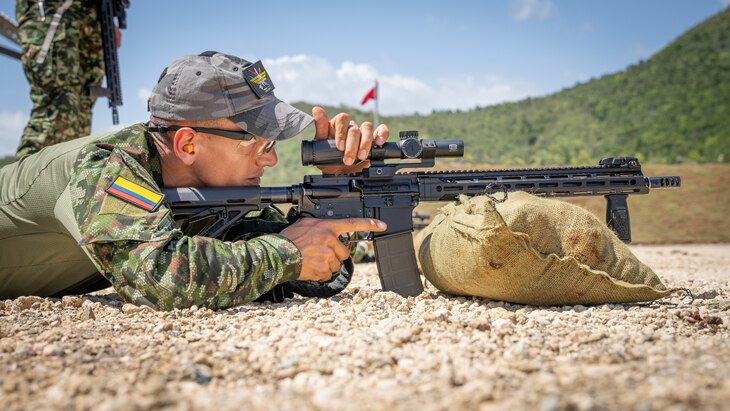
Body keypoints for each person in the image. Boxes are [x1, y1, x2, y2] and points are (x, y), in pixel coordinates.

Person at [0, 51, 389, 310]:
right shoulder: (106, 166)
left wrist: (338, 194)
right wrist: (285, 253)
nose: (270, 158)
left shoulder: (210, 193)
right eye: (257, 141)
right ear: (187, 144)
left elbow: (306, 274)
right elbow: (159, 275)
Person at [14, 0, 124, 159]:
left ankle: (63, 179)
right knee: (59, 102)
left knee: (83, 105)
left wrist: (109, 19)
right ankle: (24, 182)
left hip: (94, 12)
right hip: (53, 8)